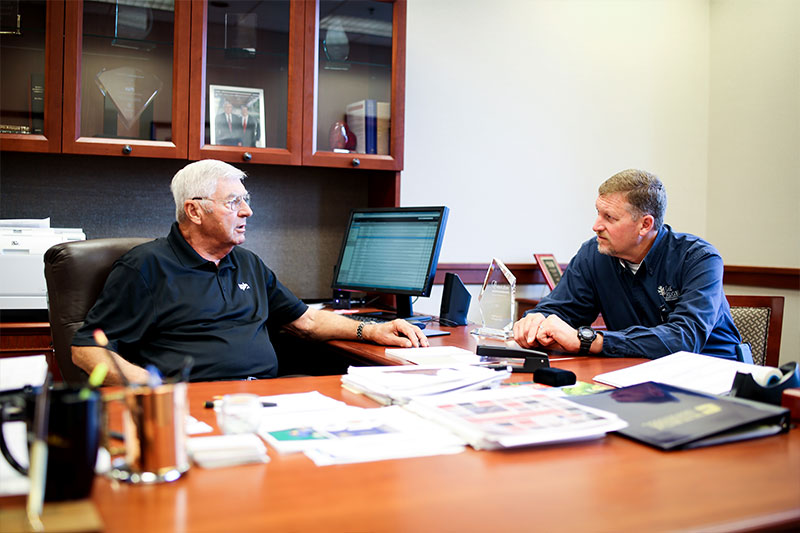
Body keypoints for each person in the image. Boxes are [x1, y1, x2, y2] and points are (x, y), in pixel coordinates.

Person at [71, 159, 428, 384]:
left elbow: (308, 322)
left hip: (265, 398)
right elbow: (86, 348)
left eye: (246, 200)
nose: (247, 212)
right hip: (193, 403)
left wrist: (372, 330)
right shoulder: (144, 267)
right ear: (195, 211)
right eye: (233, 202)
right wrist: (149, 387)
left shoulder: (248, 264)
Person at [512, 169, 741, 360]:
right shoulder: (594, 254)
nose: (596, 225)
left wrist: (590, 341)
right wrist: (537, 321)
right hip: (635, 374)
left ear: (644, 225)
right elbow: (561, 309)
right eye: (597, 213)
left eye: (609, 217)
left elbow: (683, 339)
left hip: (713, 377)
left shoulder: (699, 259)